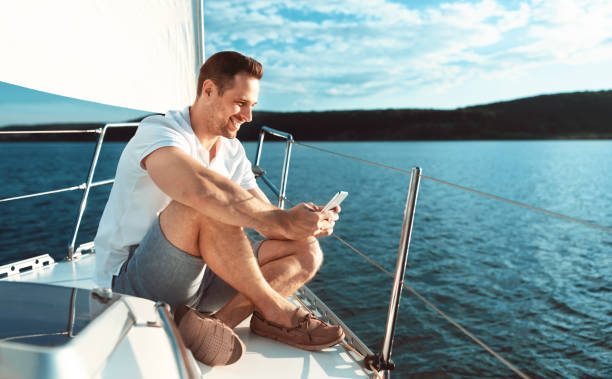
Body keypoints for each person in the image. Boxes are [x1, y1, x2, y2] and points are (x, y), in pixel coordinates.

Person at [94, 51, 344, 366]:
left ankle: (219, 325)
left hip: (203, 279)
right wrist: (282, 220)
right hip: (133, 279)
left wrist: (303, 223)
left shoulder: (231, 149)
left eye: (252, 106)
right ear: (209, 90)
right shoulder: (158, 132)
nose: (248, 116)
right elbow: (197, 189)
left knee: (307, 250)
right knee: (201, 205)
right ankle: (276, 311)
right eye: (240, 103)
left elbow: (266, 220)